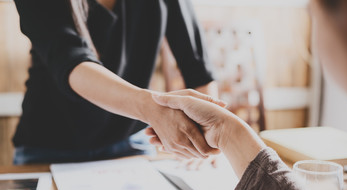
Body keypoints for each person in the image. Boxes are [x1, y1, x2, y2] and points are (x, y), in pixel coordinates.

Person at [67, 0, 347, 190]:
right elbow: (70, 59)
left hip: (133, 141)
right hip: (54, 141)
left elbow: (197, 66)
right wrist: (224, 130)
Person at [12, 0, 220, 165]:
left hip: (131, 141)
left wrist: (207, 133)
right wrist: (153, 108)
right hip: (48, 147)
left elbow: (198, 71)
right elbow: (73, 64)